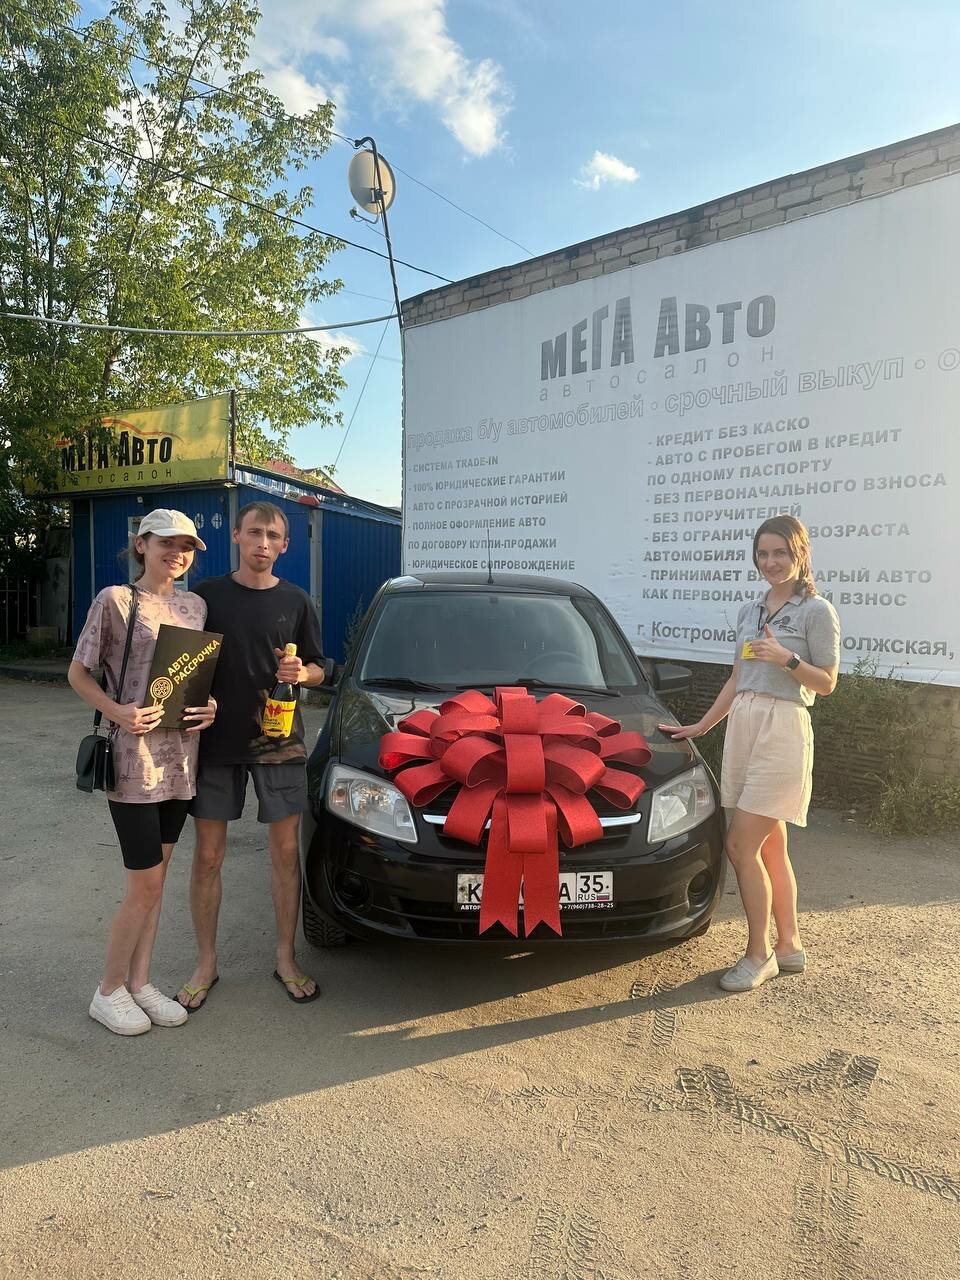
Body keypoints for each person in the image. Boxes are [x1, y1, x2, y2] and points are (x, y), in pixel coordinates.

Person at [658, 515, 840, 993]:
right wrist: (701, 726)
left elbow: (827, 682)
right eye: (763, 553)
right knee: (772, 845)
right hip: (744, 724)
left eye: (780, 552)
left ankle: (759, 955)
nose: (770, 562)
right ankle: (789, 945)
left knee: (740, 846)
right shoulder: (749, 611)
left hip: (782, 728)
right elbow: (738, 678)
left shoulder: (816, 611)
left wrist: (788, 659)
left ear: (800, 554)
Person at [68, 509, 217, 1035]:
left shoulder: (194, 606)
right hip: (134, 761)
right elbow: (78, 673)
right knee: (145, 884)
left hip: (181, 760)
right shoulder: (115, 600)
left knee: (159, 879)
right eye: (166, 543)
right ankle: (108, 991)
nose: (177, 553)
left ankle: (140, 981)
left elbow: (194, 676)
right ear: (141, 545)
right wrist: (118, 711)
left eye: (187, 546)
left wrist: (210, 707)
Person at [176, 501, 326, 1012]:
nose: (263, 543)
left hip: (279, 742)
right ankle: (206, 962)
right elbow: (185, 665)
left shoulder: (297, 601)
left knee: (284, 853)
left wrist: (303, 674)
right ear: (236, 536)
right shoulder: (206, 596)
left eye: (273, 536)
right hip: (216, 744)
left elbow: (320, 666)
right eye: (255, 533)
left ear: (285, 545)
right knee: (208, 856)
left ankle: (285, 957)